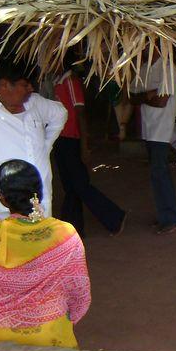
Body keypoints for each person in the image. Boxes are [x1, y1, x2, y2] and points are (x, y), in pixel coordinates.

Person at [0, 160, 90, 348]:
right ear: (39, 193)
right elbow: (80, 293)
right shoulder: (65, 233)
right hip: (52, 335)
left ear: (3, 199)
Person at [0, 59, 67, 220]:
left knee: (43, 243)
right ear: (5, 84)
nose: (31, 89)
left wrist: (46, 146)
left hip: (41, 203)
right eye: (25, 85)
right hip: (3, 207)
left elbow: (60, 113)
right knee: (7, 244)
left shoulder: (35, 103)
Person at [53, 59, 127, 237]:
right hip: (61, 138)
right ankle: (73, 228)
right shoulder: (58, 80)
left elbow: (80, 114)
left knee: (80, 185)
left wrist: (84, 145)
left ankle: (114, 216)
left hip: (72, 138)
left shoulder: (70, 81)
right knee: (71, 186)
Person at [130, 49, 176, 235]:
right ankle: (166, 214)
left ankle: (172, 217)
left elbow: (162, 102)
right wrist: (148, 95)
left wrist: (144, 97)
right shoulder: (143, 68)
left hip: (161, 129)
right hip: (149, 128)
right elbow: (130, 97)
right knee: (157, 174)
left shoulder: (168, 68)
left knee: (159, 173)